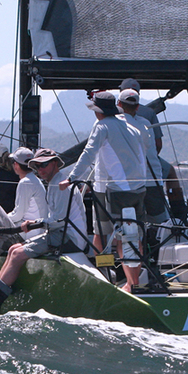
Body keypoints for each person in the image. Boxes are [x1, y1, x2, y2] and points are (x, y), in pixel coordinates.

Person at [0, 148, 88, 313]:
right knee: (14, 249)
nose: (40, 170)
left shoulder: (60, 186)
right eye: (37, 166)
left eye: (44, 165)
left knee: (18, 254)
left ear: (55, 163)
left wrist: (36, 222)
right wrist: (38, 223)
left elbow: (58, 221)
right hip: (61, 234)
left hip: (69, 237)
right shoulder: (55, 183)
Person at [59, 91, 146, 290]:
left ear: (98, 111)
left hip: (114, 189)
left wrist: (71, 178)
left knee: (111, 236)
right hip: (138, 189)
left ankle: (118, 280)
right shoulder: (131, 127)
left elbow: (88, 153)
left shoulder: (101, 126)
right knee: (133, 235)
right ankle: (130, 281)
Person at [118, 89, 169, 226]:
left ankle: (136, 245)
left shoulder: (116, 124)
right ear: (137, 107)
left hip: (129, 183)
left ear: (119, 104)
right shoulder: (146, 123)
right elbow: (156, 146)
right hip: (152, 179)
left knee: (130, 223)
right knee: (159, 221)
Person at [7, 147, 48, 240]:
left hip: (31, 232)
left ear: (16, 165)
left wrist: (2, 217)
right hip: (38, 229)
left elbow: (18, 214)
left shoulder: (25, 182)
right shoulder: (35, 179)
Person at [120, 78, 163, 154]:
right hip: (145, 159)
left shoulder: (111, 113)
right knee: (170, 167)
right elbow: (158, 144)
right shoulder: (149, 113)